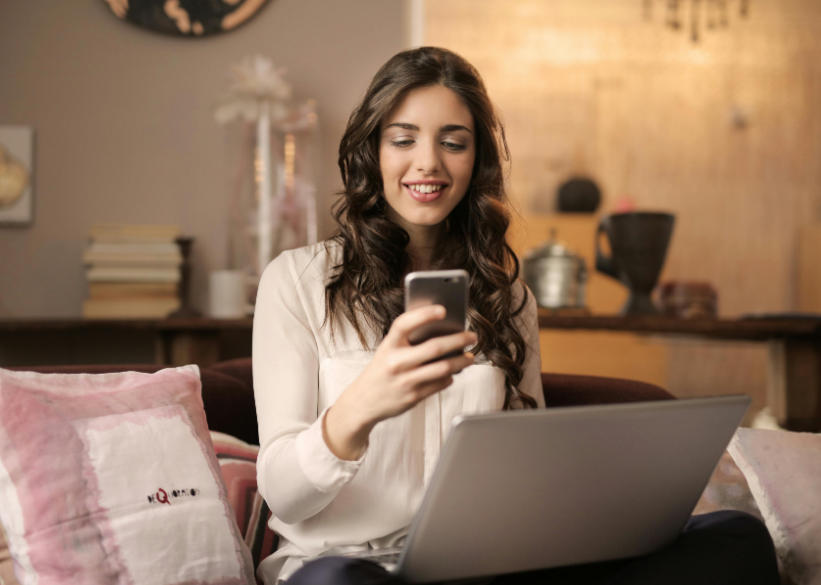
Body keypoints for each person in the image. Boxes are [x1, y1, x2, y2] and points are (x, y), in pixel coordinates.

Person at [252, 47, 779, 585]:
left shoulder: (509, 298)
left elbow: (526, 469)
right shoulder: (297, 282)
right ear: (373, 152)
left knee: (739, 539)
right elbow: (285, 496)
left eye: (453, 142)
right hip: (348, 567)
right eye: (403, 139)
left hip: (480, 565)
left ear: (475, 160)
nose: (429, 162)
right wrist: (359, 408)